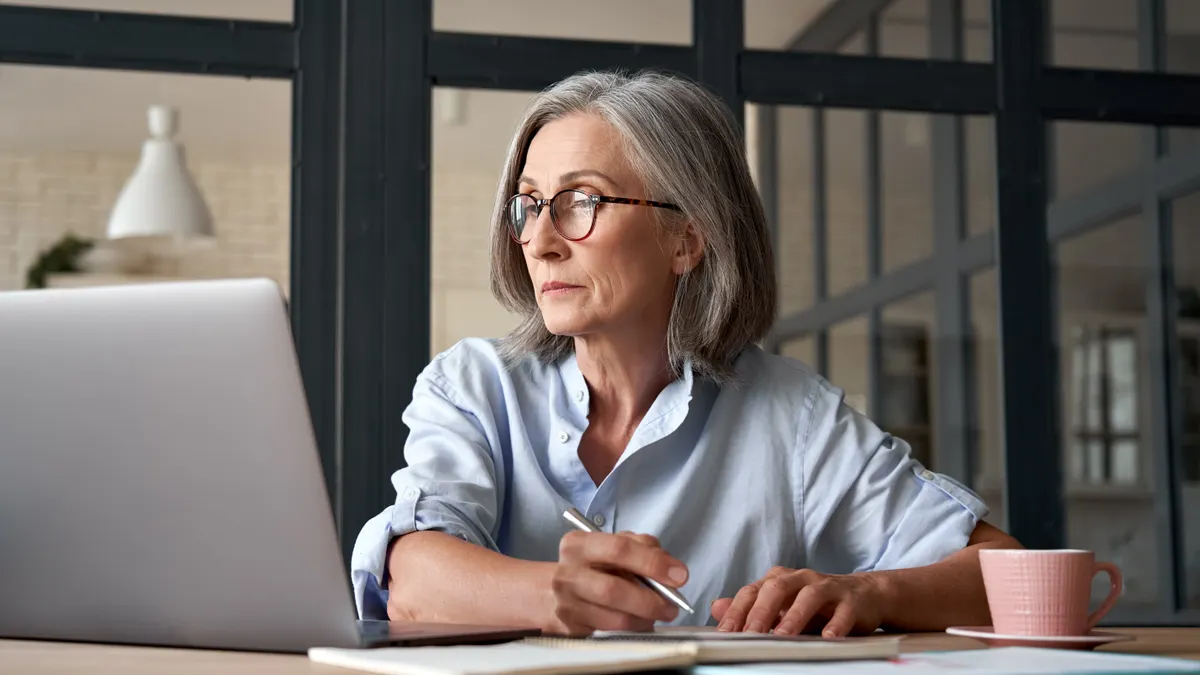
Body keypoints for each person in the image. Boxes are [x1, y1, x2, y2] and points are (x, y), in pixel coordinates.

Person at [350, 69, 1021, 638]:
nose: (542, 240)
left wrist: (870, 593)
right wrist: (554, 593)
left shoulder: (792, 415)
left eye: (580, 201)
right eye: (529, 205)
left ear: (687, 239)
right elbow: (410, 577)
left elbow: (1009, 574)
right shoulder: (473, 385)